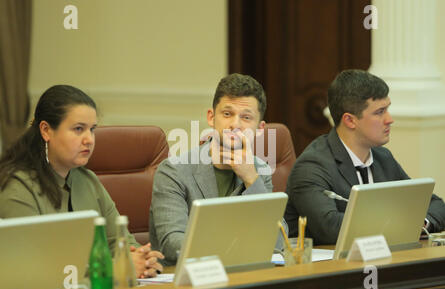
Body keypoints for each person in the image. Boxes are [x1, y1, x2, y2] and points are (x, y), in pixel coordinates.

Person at [0, 85, 164, 278]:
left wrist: (142, 259)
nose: (89, 139)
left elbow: (120, 241)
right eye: (78, 129)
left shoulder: (88, 180)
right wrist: (116, 267)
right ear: (46, 130)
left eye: (92, 129)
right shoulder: (17, 187)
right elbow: (36, 269)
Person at [284, 69, 445, 245]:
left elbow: (435, 204)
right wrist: (400, 224)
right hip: (329, 268)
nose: (389, 119)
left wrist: (421, 223)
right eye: (379, 112)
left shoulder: (383, 158)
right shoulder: (311, 167)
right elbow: (330, 228)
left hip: (380, 263)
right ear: (350, 120)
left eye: (387, 109)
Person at [149, 73, 288, 266]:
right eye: (227, 114)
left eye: (246, 117)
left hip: (244, 278)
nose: (235, 125)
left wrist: (252, 180)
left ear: (260, 128)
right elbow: (173, 245)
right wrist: (236, 250)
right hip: (188, 283)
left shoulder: (259, 169)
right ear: (211, 117)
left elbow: (278, 242)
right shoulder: (173, 171)